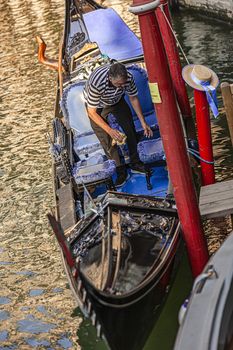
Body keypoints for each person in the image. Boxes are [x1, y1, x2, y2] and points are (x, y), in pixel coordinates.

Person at [84, 62, 153, 186]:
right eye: (118, 84)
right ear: (110, 78)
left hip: (117, 101)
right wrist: (110, 130)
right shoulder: (97, 83)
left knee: (130, 129)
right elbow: (91, 112)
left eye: (123, 84)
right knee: (106, 138)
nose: (121, 87)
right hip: (97, 106)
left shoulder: (128, 78)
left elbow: (133, 98)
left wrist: (143, 122)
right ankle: (120, 169)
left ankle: (135, 162)